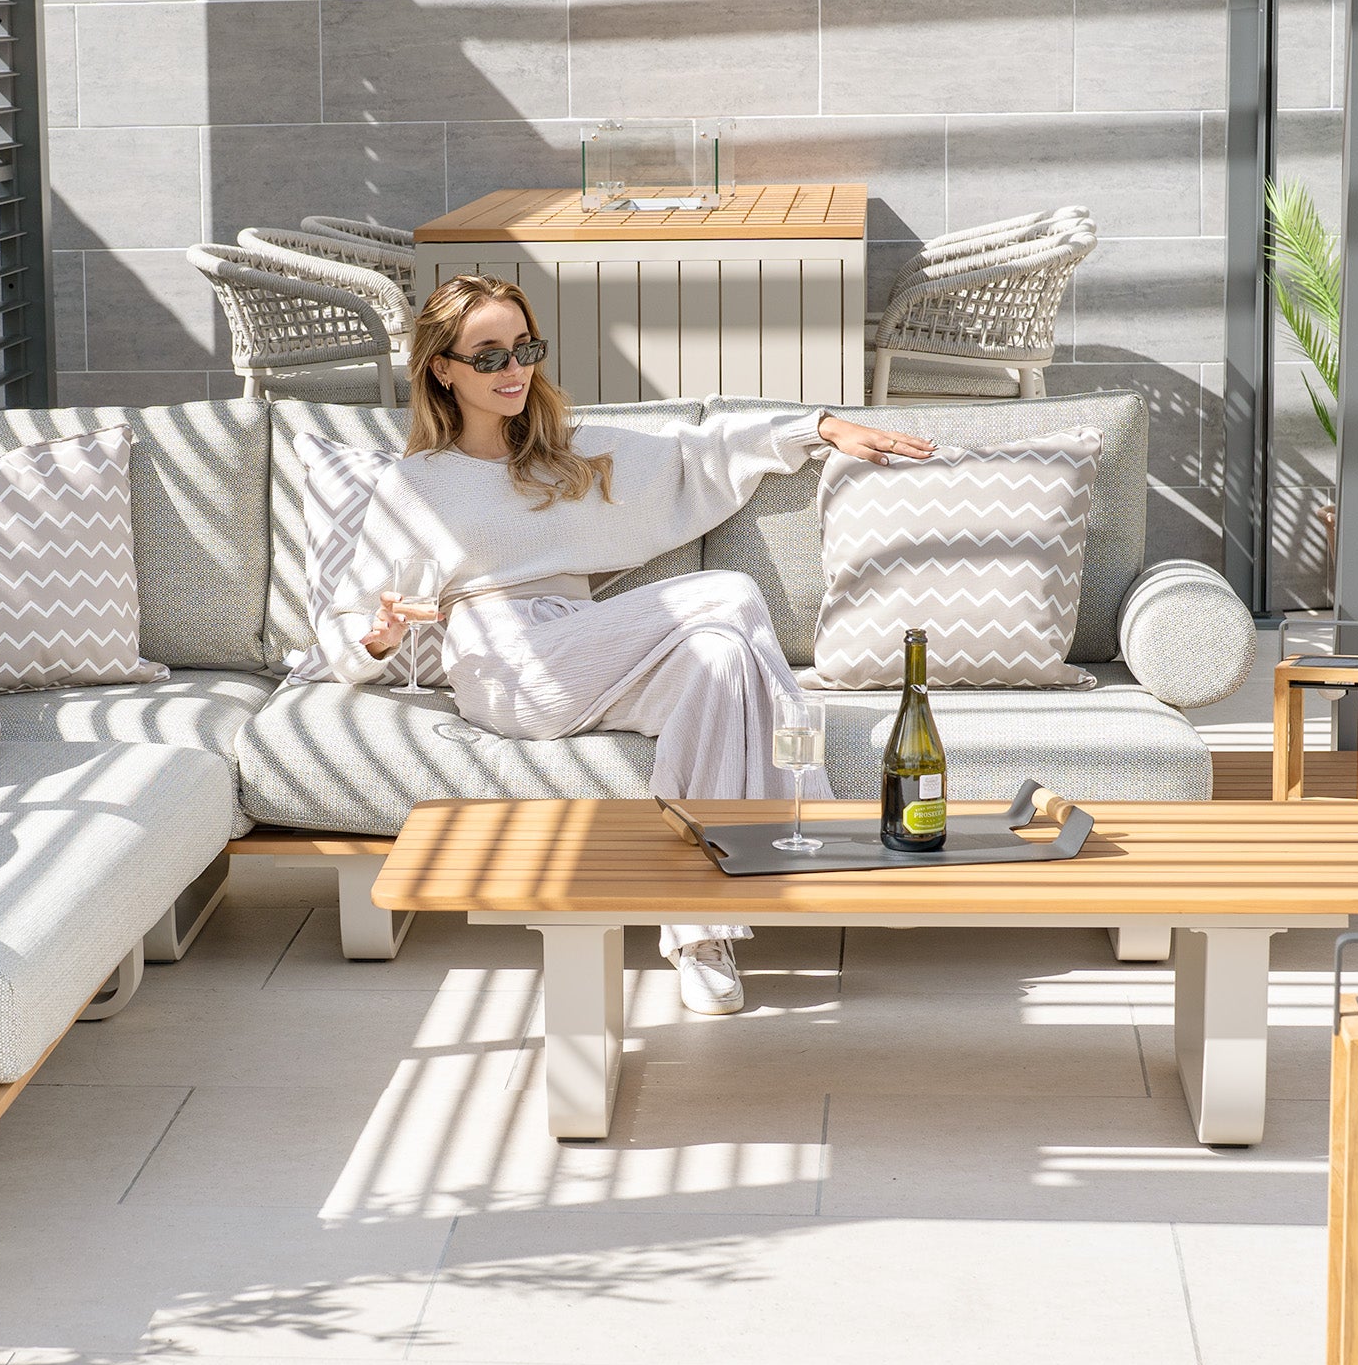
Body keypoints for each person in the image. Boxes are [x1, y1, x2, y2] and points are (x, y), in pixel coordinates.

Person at [316, 274, 933, 1013]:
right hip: (501, 661)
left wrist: (820, 427)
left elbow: (697, 452)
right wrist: (382, 639)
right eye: (487, 356)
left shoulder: (566, 451)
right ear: (442, 369)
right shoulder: (417, 483)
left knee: (720, 658)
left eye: (524, 349)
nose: (512, 370)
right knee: (729, 595)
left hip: (584, 644)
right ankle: (818, 833)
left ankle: (700, 937)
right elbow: (346, 633)